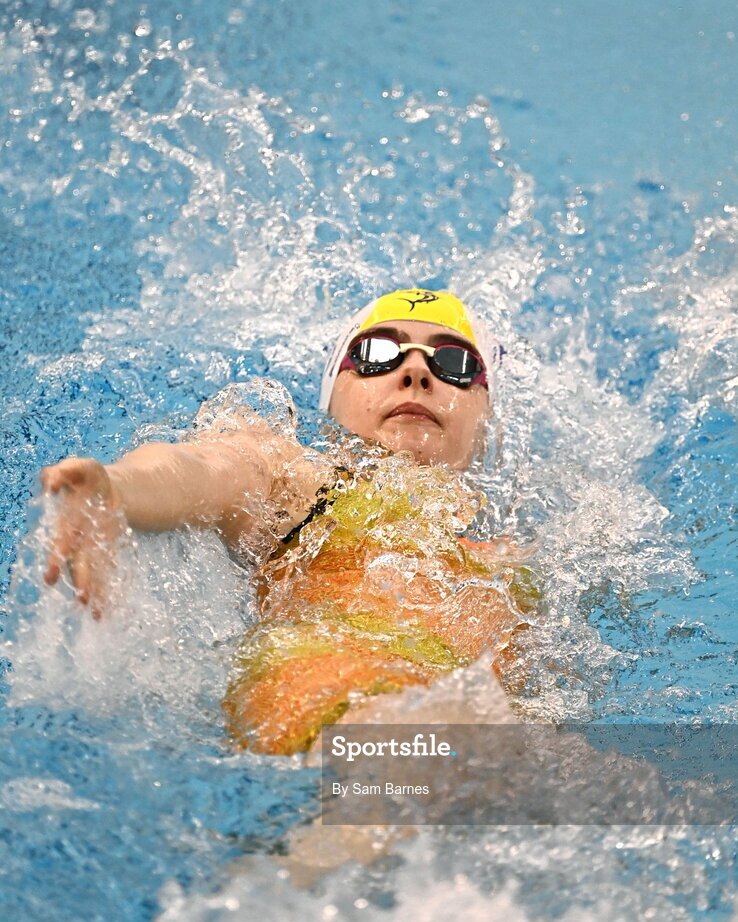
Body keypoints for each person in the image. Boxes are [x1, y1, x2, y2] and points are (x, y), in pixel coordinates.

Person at [40, 288, 531, 756]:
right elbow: (205, 469)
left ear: (489, 422)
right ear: (332, 398)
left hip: (475, 736)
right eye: (376, 353)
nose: (416, 370)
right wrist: (117, 488)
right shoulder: (299, 484)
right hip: (340, 711)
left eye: (455, 362)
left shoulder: (520, 561)